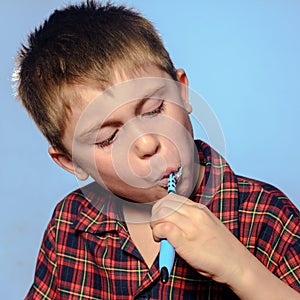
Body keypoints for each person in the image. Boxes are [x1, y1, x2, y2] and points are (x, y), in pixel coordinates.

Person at [14, 1, 299, 299]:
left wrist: (240, 269)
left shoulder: (268, 217)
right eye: (108, 138)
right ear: (71, 162)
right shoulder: (69, 226)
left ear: (182, 90)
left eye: (154, 109)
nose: (147, 143)